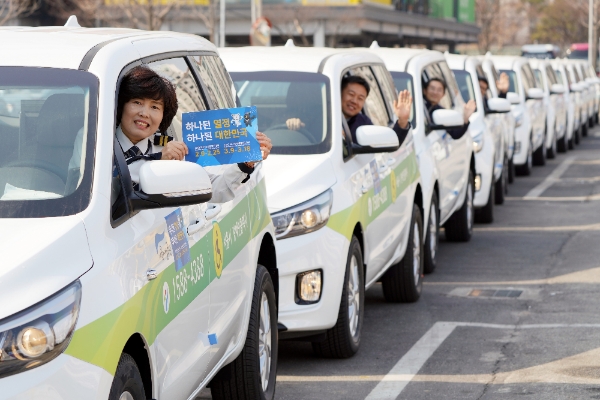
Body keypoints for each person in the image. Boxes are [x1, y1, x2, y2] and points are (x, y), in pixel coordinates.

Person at [114, 66, 272, 203]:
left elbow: (215, 189)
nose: (144, 113)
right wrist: (158, 161)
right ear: (121, 105)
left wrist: (246, 163)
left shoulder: (170, 150)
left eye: (155, 107)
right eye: (137, 103)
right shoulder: (96, 143)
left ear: (164, 115)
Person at [286, 75, 413, 147]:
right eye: (351, 94)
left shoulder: (363, 123)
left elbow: (391, 144)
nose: (354, 101)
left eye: (360, 98)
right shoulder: (317, 116)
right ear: (339, 93)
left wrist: (402, 120)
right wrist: (294, 126)